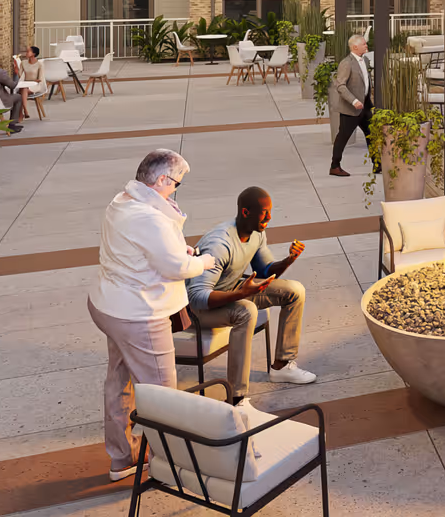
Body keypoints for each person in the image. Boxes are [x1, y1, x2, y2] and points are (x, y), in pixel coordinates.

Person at [87, 149, 220, 482]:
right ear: (161, 179)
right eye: (176, 183)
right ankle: (169, 463)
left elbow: (145, 249)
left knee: (119, 382)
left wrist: (176, 250)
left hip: (109, 306)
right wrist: (202, 262)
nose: (175, 189)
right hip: (139, 315)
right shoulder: (149, 217)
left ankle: (122, 457)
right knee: (163, 395)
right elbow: (176, 267)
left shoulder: (122, 201)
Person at [187, 187, 316, 407]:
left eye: (270, 211)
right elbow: (197, 297)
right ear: (246, 212)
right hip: (198, 310)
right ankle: (235, 398)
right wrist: (240, 294)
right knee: (246, 311)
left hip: (232, 290)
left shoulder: (256, 233)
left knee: (294, 290)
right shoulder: (220, 245)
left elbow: (265, 270)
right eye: (264, 212)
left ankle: (282, 366)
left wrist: (288, 260)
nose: (269, 217)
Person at [328, 35, 375, 177]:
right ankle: (335, 166)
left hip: (365, 106)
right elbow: (340, 86)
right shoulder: (346, 63)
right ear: (355, 47)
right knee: (343, 137)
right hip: (351, 109)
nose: (366, 46)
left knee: (372, 135)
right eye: (364, 44)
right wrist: (354, 101)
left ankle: (377, 164)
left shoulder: (364, 60)